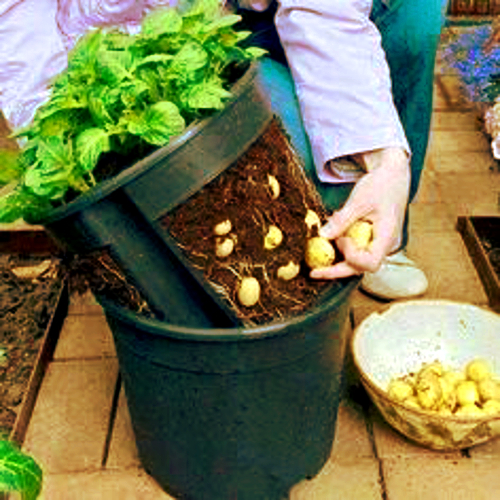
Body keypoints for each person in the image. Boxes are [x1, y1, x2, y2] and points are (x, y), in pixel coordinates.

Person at [0, 0, 448, 299]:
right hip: (117, 49)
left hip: (209, 27)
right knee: (269, 153)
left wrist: (383, 155)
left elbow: (321, 8)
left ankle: (383, 231)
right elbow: (15, 21)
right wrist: (53, 133)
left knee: (414, 18)